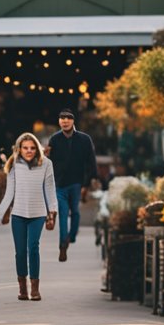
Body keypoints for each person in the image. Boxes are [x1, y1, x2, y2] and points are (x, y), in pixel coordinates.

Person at [0, 132, 57, 301]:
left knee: (33, 248)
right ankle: (22, 288)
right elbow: (9, 193)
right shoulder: (14, 165)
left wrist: (52, 211)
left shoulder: (46, 164)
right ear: (19, 149)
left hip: (38, 213)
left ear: (37, 149)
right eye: (25, 148)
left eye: (32, 148)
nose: (29, 151)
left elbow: (50, 189)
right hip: (18, 214)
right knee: (20, 252)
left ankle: (35, 288)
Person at [46, 107, 98, 262]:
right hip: (59, 184)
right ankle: (63, 245)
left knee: (75, 212)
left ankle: (72, 236)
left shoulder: (84, 139)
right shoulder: (54, 139)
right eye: (62, 118)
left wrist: (88, 183)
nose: (65, 121)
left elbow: (91, 161)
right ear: (59, 122)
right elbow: (48, 162)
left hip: (77, 182)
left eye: (68, 118)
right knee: (63, 213)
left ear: (73, 121)